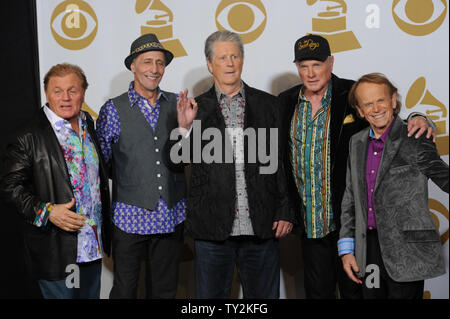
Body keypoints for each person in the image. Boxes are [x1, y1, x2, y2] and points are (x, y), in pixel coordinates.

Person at [278, 34, 435, 299]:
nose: (311, 73)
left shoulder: (350, 93)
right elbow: (281, 161)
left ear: (331, 62)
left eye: (317, 64)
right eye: (304, 66)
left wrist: (421, 118)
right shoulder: (285, 101)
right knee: (318, 294)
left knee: (358, 294)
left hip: (354, 225)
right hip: (312, 226)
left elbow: (386, 118)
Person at [172, 30, 296, 299]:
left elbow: (281, 162)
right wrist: (183, 128)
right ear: (209, 64)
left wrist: (285, 209)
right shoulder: (196, 108)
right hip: (212, 230)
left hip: (261, 227)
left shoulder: (268, 105)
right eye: (222, 57)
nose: (229, 63)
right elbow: (178, 161)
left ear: (242, 60)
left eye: (234, 56)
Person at [0, 63, 111, 299]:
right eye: (57, 91)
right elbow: (10, 188)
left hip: (92, 246)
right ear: (46, 94)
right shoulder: (28, 136)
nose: (66, 98)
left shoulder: (88, 125)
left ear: (83, 92)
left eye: (72, 90)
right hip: (58, 251)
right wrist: (47, 212)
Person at [338, 73, 448, 299]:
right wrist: (347, 250)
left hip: (407, 252)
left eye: (381, 100)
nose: (376, 108)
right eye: (368, 103)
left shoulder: (415, 135)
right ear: (359, 110)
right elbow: (350, 199)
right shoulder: (356, 142)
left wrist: (424, 118)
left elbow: (444, 177)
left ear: (393, 100)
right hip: (368, 251)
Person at [96, 33, 186, 299]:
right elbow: (103, 163)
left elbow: (189, 158)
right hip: (128, 216)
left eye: (160, 63)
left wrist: (185, 128)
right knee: (125, 290)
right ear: (133, 66)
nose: (154, 69)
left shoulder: (177, 105)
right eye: (147, 62)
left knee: (165, 290)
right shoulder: (112, 109)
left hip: (171, 213)